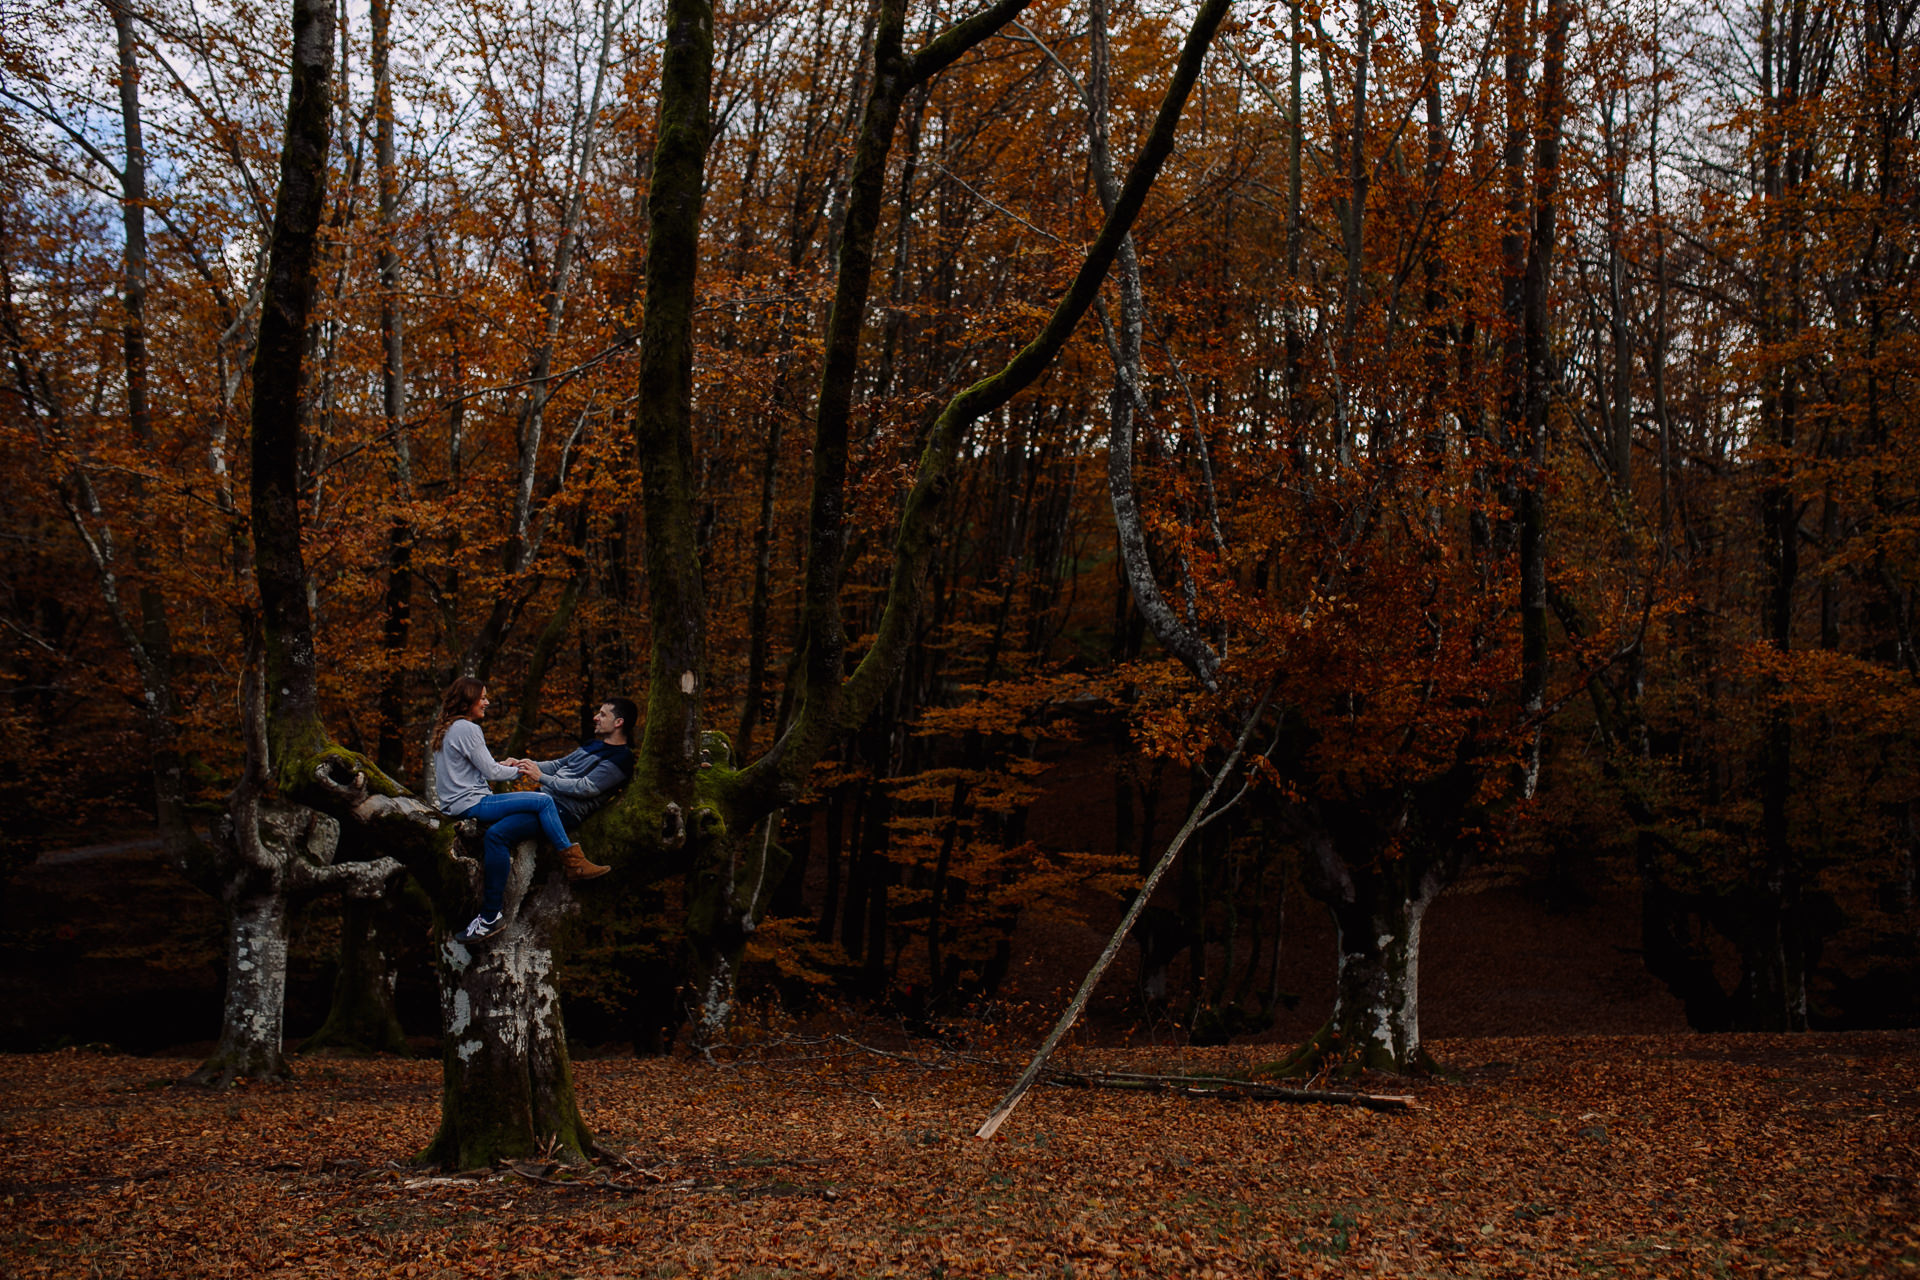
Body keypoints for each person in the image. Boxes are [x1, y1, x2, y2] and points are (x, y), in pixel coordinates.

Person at [429, 677, 609, 946]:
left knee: (498, 837)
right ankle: (574, 863)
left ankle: (488, 915)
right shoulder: (468, 729)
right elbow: (490, 772)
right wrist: (521, 770)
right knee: (543, 801)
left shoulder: (450, 728)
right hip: (471, 803)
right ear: (468, 700)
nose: (487, 702)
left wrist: (504, 764)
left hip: (457, 803)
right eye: (483, 698)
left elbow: (475, 768)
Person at [462, 697, 637, 945]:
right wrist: (523, 765)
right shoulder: (592, 744)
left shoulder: (622, 759)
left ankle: (490, 916)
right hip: (543, 801)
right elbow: (559, 765)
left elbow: (585, 788)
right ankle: (467, 907)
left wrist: (541, 778)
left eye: (603, 714)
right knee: (483, 823)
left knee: (496, 835)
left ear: (619, 722)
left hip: (563, 811)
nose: (596, 717)